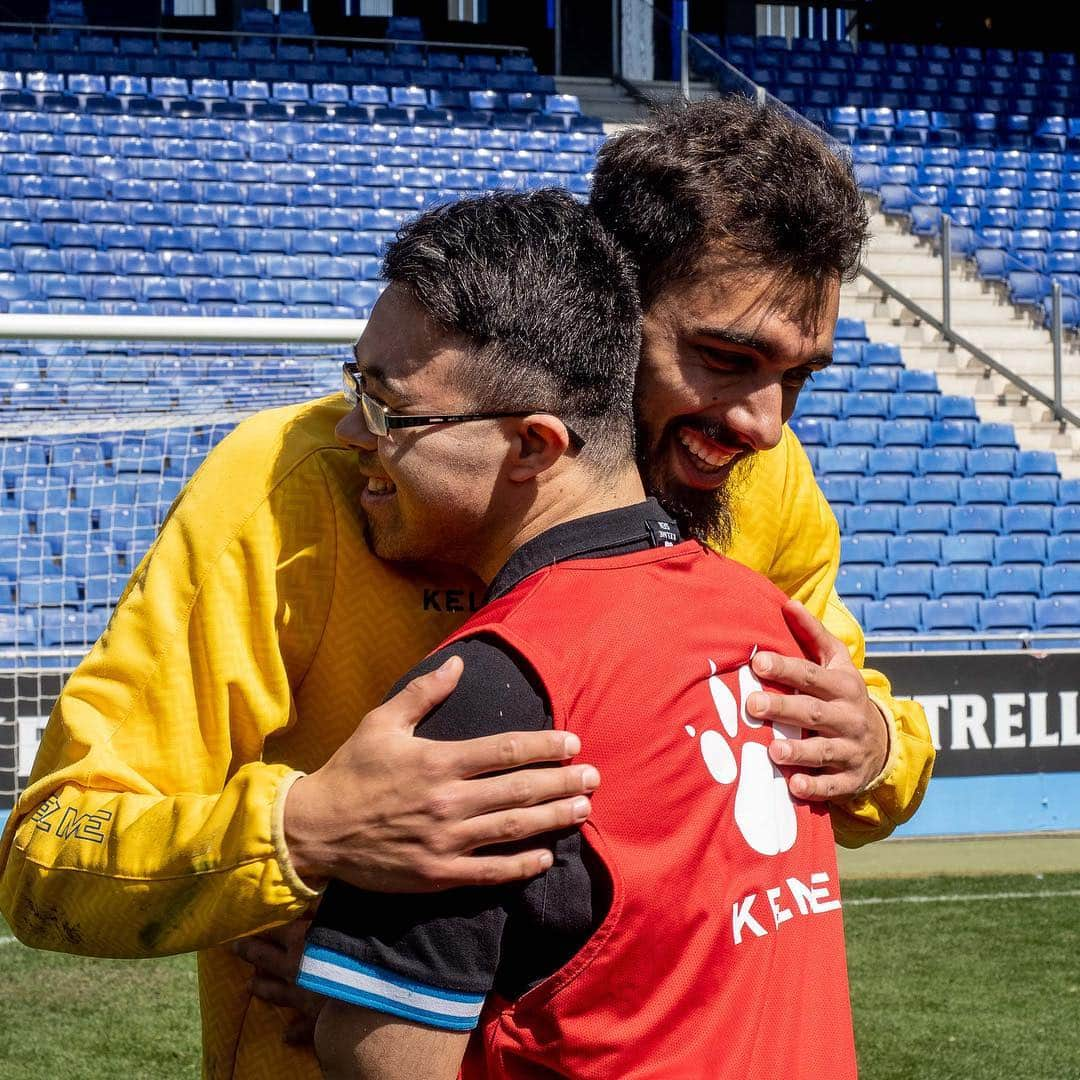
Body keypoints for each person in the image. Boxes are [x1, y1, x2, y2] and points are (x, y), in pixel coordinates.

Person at [0, 96, 932, 1079]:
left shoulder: (764, 490)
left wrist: (873, 749)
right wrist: (301, 834)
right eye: (724, 359)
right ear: (603, 302)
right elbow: (47, 859)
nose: (764, 424)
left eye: (799, 378)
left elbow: (863, 739)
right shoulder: (293, 488)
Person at [301, 189, 856, 1080]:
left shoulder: (484, 695)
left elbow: (382, 1062)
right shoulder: (766, 620)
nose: (346, 433)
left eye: (389, 409)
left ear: (532, 446)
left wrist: (333, 984)